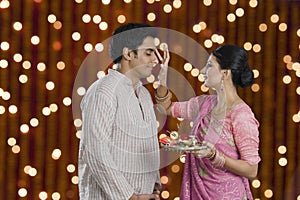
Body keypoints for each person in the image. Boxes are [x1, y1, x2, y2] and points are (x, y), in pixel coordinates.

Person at [155, 44, 261, 200]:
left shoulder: (241, 116)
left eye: (210, 66)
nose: (203, 71)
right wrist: (163, 73)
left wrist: (214, 156)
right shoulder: (204, 104)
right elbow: (166, 108)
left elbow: (252, 169)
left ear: (225, 73)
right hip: (197, 193)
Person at [78, 23, 161, 200]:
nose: (155, 59)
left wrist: (154, 183)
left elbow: (149, 142)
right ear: (128, 53)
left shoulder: (144, 94)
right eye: (148, 53)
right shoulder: (103, 92)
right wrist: (131, 196)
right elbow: (96, 153)